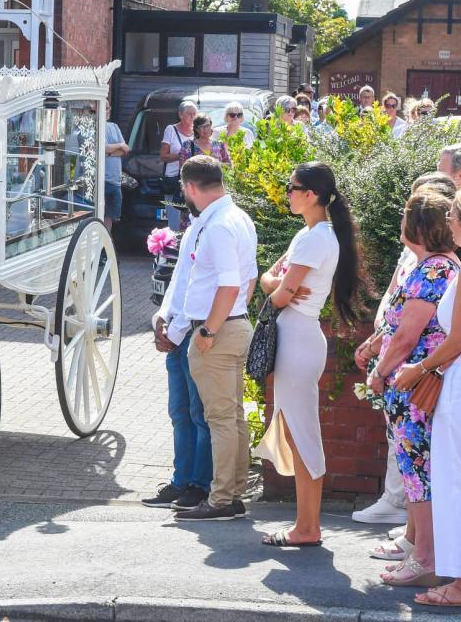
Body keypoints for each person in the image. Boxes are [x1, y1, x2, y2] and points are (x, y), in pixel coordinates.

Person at [395, 180, 461, 607]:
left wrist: (417, 370)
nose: (449, 222)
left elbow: (457, 339)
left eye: (455, 215)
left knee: (457, 482)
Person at [255, 161, 362, 545]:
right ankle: (306, 525)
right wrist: (275, 283)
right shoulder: (314, 235)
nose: (287, 192)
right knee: (299, 432)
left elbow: (279, 291)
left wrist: (275, 285)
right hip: (299, 336)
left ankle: (307, 527)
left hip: (298, 338)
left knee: (302, 435)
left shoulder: (313, 238)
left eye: (291, 186)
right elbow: (271, 279)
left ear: (310, 194)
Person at [353, 174, 457, 531]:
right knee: (414, 470)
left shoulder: (435, 270)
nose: (400, 222)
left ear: (418, 227)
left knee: (418, 470)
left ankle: (423, 556)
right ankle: (415, 547)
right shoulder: (434, 266)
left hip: (416, 385)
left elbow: (406, 337)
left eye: (405, 216)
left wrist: (379, 373)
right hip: (412, 383)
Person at [170, 156, 258, 521]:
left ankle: (222, 498)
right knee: (232, 417)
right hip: (233, 324)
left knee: (221, 418)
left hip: (218, 330)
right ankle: (232, 493)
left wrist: (208, 330)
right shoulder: (237, 217)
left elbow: (230, 283)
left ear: (191, 188)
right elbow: (248, 280)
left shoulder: (219, 225)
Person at [145, 195, 214, 511]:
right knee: (179, 412)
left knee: (199, 415)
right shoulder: (192, 230)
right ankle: (181, 480)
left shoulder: (214, 230)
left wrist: (172, 332)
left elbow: (200, 289)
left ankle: (199, 485)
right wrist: (161, 315)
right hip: (177, 332)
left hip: (192, 333)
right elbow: (177, 281)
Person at [159, 101, 196, 230]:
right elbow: (163, 156)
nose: (192, 117)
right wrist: (184, 155)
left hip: (192, 181)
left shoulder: (197, 132)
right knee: (174, 220)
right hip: (174, 180)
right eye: (189, 114)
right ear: (180, 115)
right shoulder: (171, 130)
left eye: (194, 114)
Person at [101, 102, 129, 232]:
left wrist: (107, 153)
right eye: (105, 107)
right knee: (99, 216)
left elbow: (126, 149)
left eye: (108, 108)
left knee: (110, 218)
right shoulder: (95, 127)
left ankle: (104, 248)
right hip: (101, 180)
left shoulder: (114, 126)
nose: (108, 110)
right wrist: (117, 147)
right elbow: (101, 148)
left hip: (115, 181)